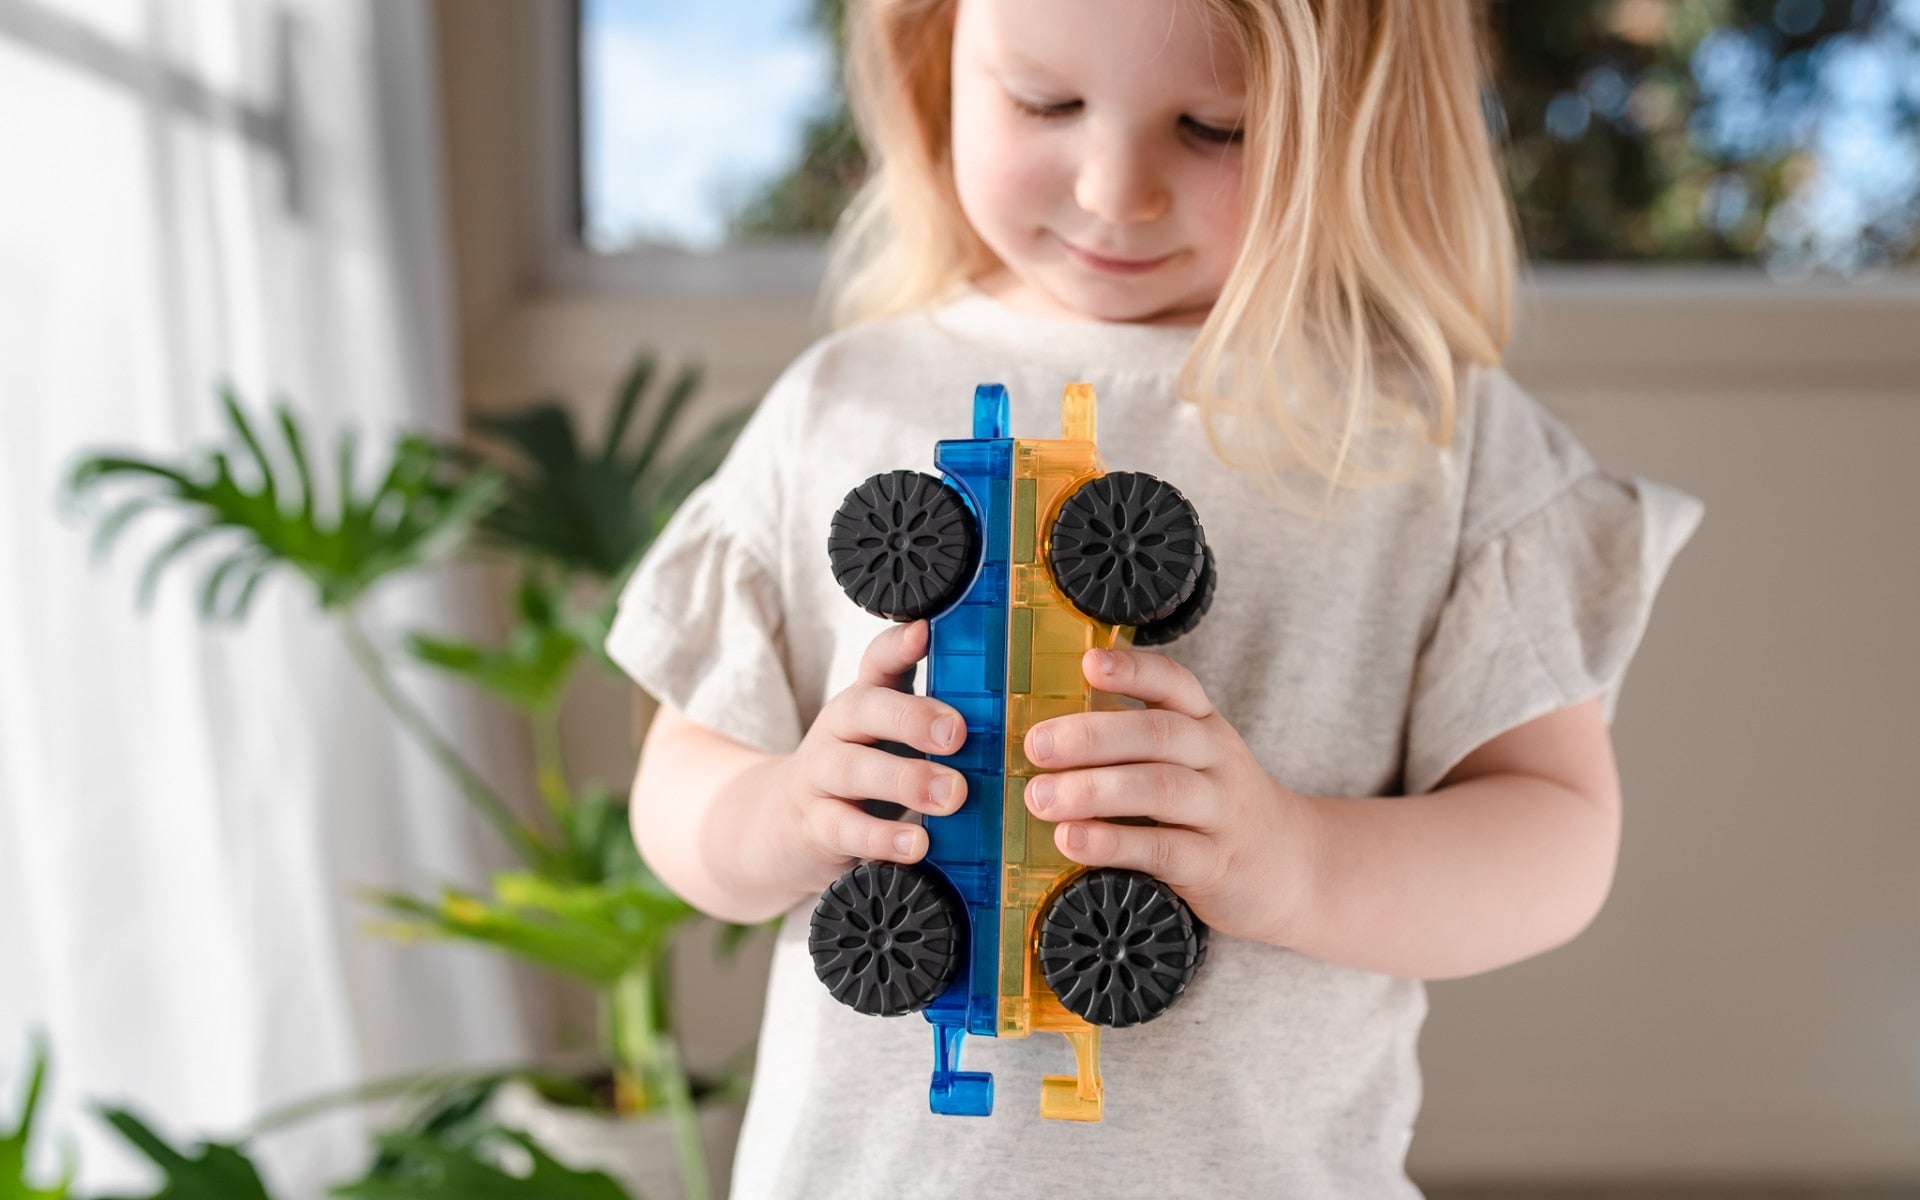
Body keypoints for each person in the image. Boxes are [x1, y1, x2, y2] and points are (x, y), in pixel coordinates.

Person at [605, 0, 1704, 1195]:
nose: (1115, 188)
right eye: (1046, 104)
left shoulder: (1427, 439)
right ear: (938, 60)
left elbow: (1555, 835)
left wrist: (1298, 862)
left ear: (1360, 127)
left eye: (1214, 127)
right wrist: (781, 814)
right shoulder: (836, 401)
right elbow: (680, 789)